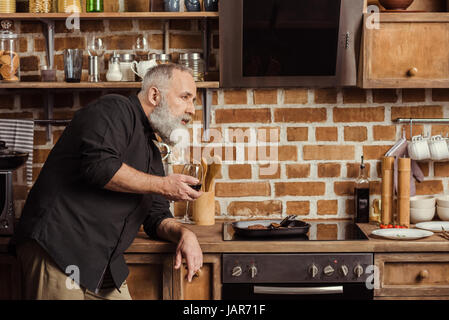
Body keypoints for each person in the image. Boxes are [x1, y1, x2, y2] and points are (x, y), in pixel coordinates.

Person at [12, 63, 204, 300]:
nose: (192, 109)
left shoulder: (151, 152)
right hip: (58, 250)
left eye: (193, 100)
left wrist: (185, 235)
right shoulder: (115, 109)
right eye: (185, 97)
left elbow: (156, 217)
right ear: (155, 95)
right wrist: (164, 184)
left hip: (102, 266)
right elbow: (100, 167)